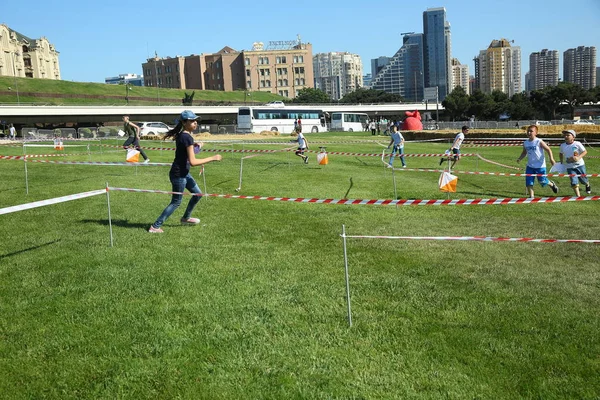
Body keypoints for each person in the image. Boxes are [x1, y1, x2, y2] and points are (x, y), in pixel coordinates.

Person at [149, 110, 222, 233]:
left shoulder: (183, 136)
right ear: (184, 122)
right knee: (176, 202)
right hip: (179, 175)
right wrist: (212, 158)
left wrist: (196, 146)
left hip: (183, 173)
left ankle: (186, 218)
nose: (195, 123)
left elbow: (188, 154)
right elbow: (193, 161)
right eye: (192, 121)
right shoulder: (186, 137)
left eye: (195, 121)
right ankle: (155, 226)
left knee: (197, 194)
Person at [516, 125, 558, 198]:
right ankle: (531, 197)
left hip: (540, 166)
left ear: (536, 133)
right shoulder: (526, 143)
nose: (529, 132)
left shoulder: (539, 141)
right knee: (529, 181)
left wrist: (551, 159)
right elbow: (524, 152)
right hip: (530, 166)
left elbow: (548, 149)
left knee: (542, 181)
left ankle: (551, 184)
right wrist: (520, 158)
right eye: (528, 131)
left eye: (531, 131)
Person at [559, 129, 590, 196]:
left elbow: (585, 152)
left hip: (580, 165)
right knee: (574, 181)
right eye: (565, 135)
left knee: (583, 180)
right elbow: (561, 153)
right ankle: (578, 196)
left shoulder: (577, 144)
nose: (566, 136)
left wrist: (578, 157)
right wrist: (561, 161)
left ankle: (587, 184)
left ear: (573, 137)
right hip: (570, 167)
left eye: (568, 135)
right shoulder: (562, 145)